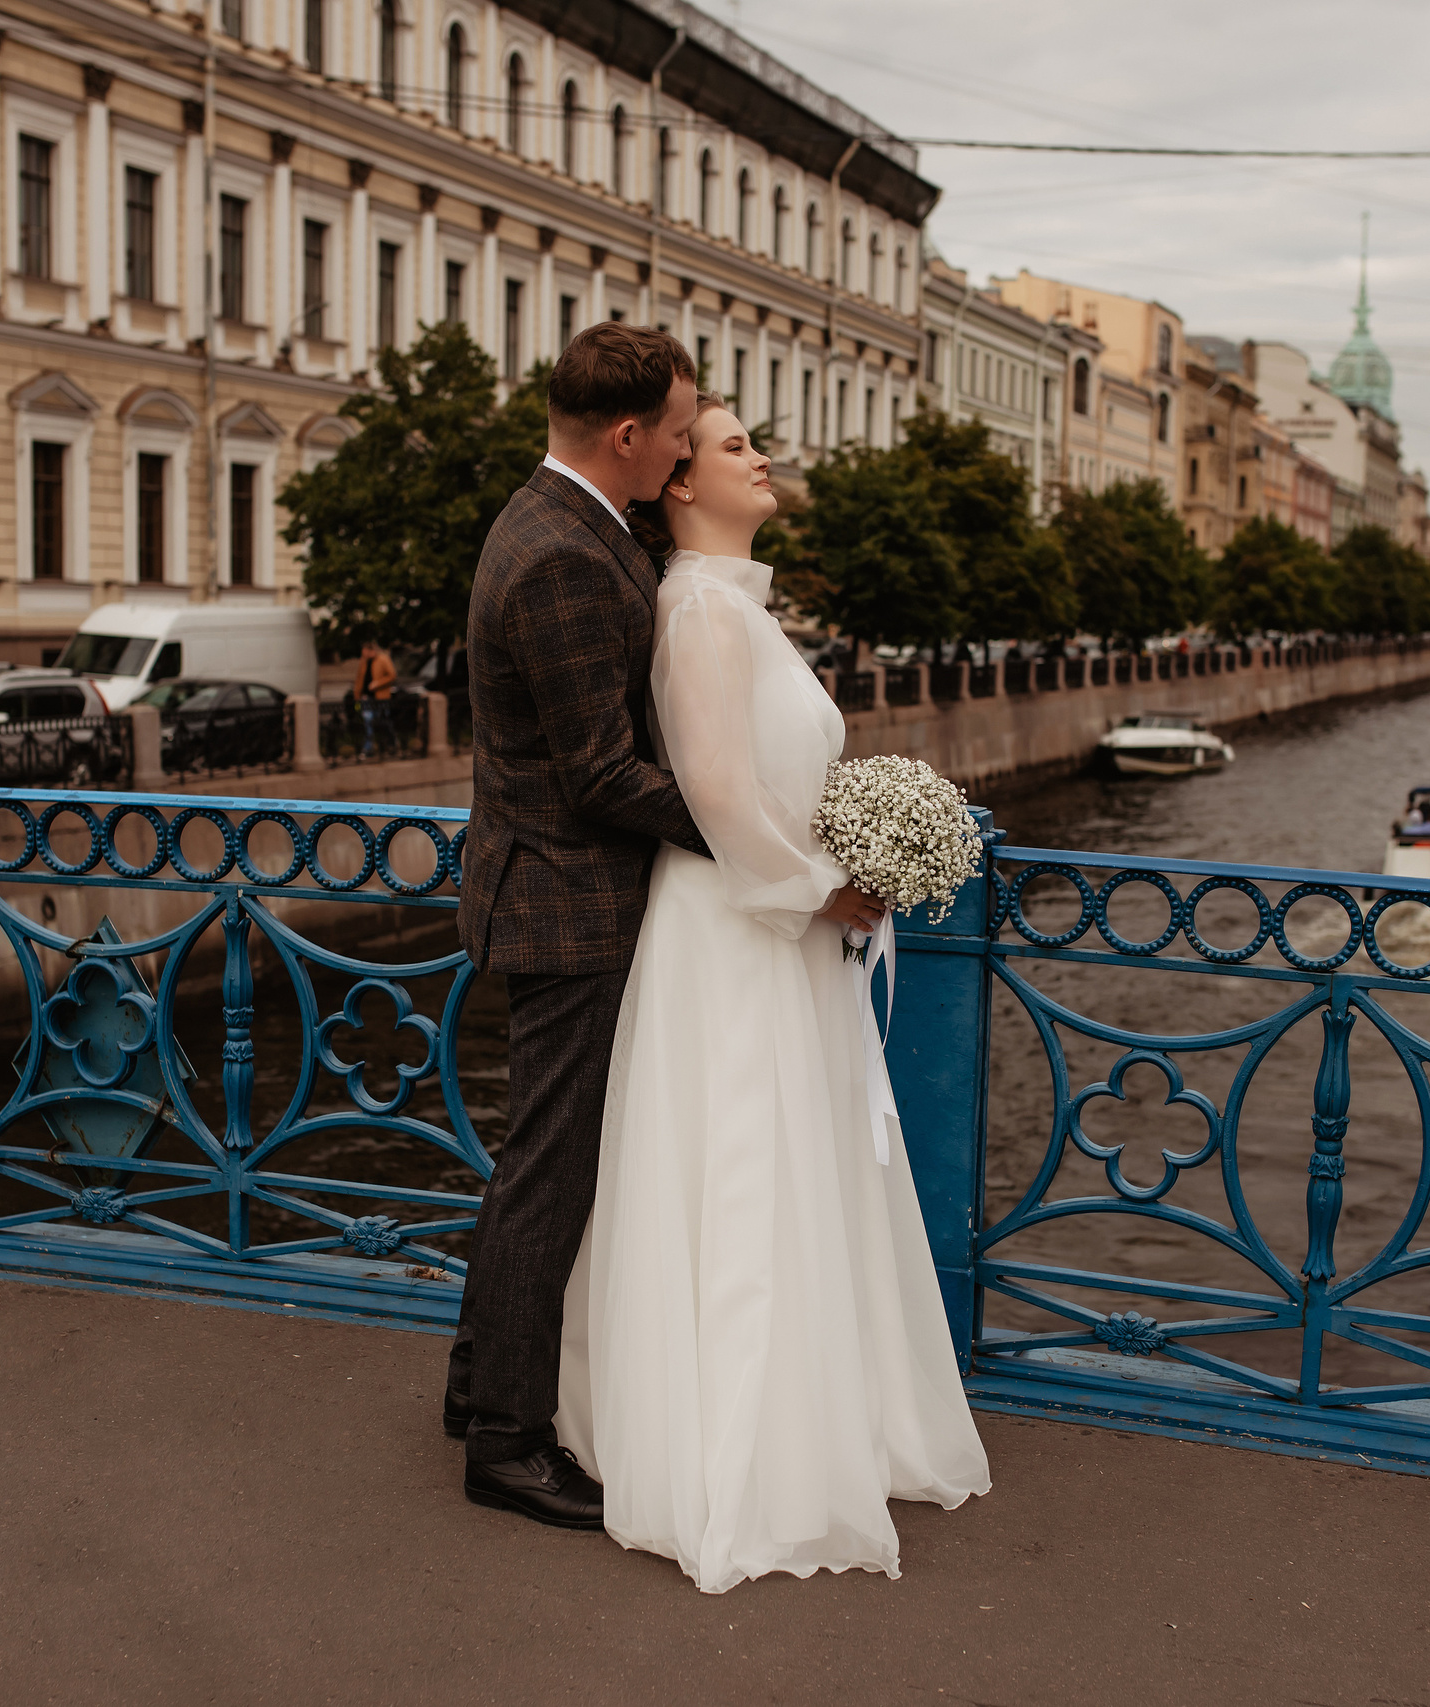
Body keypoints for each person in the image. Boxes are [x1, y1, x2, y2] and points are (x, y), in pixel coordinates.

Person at [557, 393, 989, 1592]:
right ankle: (736, 1456)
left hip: (778, 919)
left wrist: (850, 860)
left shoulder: (739, 609)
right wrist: (823, 890)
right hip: (738, 932)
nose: (761, 459)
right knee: (745, 1166)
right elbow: (711, 794)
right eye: (736, 446)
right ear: (680, 483)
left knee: (794, 1168)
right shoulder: (697, 610)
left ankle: (811, 1422)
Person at [446, 324, 715, 1529]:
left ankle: (475, 1387)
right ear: (626, 434)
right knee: (548, 1177)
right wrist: (760, 838)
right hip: (565, 902)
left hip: (546, 891)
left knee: (530, 1168)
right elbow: (603, 774)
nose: (681, 451)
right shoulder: (563, 554)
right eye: (674, 430)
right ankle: (507, 1443)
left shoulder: (556, 520)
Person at [352, 637, 398, 758]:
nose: (363, 653)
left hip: (381, 697)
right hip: (367, 698)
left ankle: (391, 744)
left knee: (384, 721)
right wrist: (357, 696)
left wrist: (378, 683)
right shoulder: (364, 662)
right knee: (368, 722)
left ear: (370, 650)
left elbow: (392, 675)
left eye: (364, 650)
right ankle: (368, 748)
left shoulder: (383, 659)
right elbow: (359, 680)